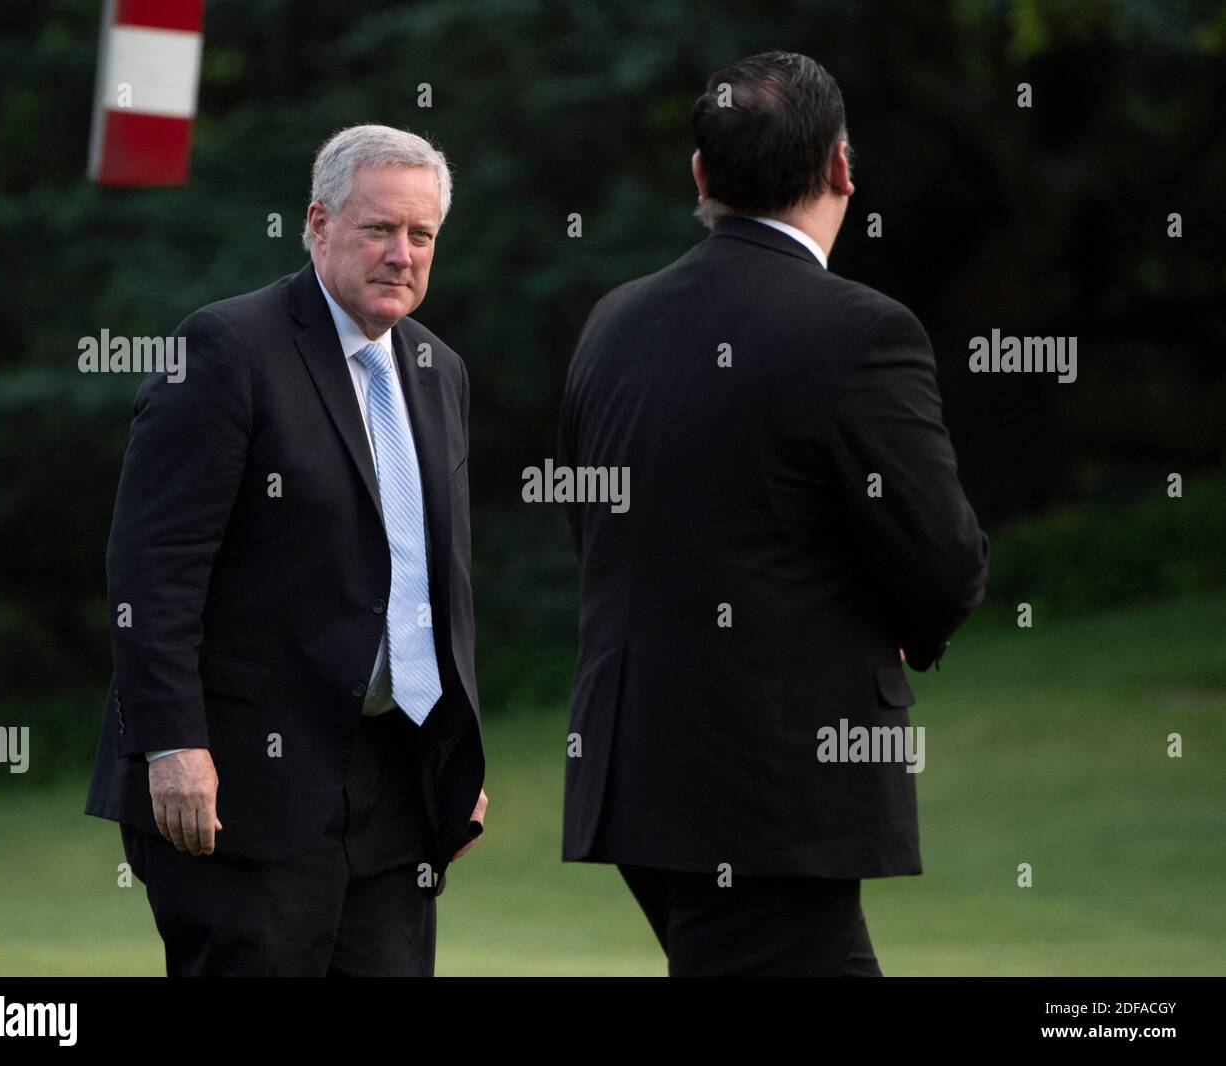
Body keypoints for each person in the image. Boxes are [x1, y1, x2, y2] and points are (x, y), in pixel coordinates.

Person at [558, 52, 989, 976]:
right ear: (841, 166)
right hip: (772, 789)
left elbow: (595, 528)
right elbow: (943, 559)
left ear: (701, 176)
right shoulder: (861, 330)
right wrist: (914, 627)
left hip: (635, 768)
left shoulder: (614, 323)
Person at [85, 124, 487, 976]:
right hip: (239, 789)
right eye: (379, 229)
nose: (401, 254)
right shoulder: (226, 348)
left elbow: (433, 574)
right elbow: (151, 572)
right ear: (317, 223)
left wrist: (454, 746)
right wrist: (170, 745)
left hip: (392, 790)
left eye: (421, 236)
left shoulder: (437, 369)